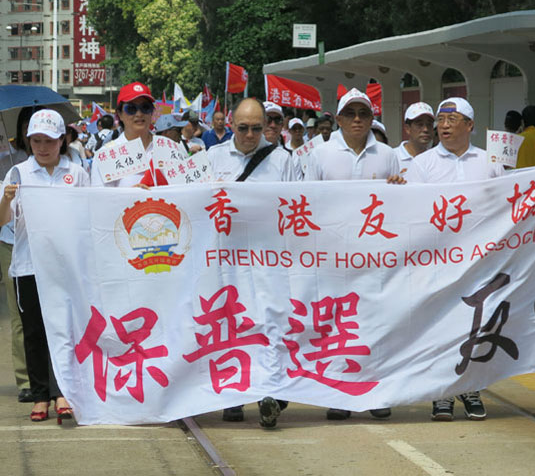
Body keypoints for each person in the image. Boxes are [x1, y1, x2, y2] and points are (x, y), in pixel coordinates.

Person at [305, 88, 399, 420]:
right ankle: (339, 391)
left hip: (374, 257)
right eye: (351, 114)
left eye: (364, 114)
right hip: (333, 256)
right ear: (339, 119)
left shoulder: (387, 155)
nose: (357, 120)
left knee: (375, 321)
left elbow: (400, 204)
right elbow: (308, 203)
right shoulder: (320, 155)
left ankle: (376, 391)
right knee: (337, 323)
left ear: (372, 119)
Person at [0, 109, 90, 424]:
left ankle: (62, 392)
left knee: (64, 330)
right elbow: (1, 222)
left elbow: (89, 215)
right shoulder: (18, 174)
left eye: (49, 140)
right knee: (34, 332)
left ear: (62, 140)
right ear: (28, 140)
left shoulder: (76, 174)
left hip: (64, 267)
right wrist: (6, 200)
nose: (43, 147)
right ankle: (39, 395)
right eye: (36, 140)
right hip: (28, 266)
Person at [407, 98, 500, 421]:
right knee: (439, 326)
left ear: (470, 125)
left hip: (477, 260)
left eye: (452, 119)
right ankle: (441, 395)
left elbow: (503, 204)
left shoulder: (489, 162)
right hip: (437, 260)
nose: (443, 125)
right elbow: (413, 212)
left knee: (474, 325)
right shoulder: (423, 163)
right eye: (441, 120)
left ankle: (470, 389)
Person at [207, 97, 295, 427]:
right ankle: (234, 395)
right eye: (243, 128)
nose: (249, 135)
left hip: (270, 259)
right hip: (225, 259)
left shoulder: (283, 160)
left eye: (257, 128)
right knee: (232, 324)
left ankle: (269, 392)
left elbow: (302, 203)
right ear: (230, 125)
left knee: (272, 321)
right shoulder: (211, 157)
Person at [0, 106, 34, 402]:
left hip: (49, 247)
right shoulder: (8, 163)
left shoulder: (67, 162)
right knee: (20, 317)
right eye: (27, 127)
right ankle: (25, 381)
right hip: (12, 244)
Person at [91, 83, 169, 188]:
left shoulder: (168, 148)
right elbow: (100, 200)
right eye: (131, 108)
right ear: (120, 114)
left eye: (145, 107)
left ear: (152, 112)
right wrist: (129, 197)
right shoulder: (105, 155)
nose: (139, 114)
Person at [396, 102, 435, 173]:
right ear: (407, 129)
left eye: (429, 124)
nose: (425, 129)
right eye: (420, 124)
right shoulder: (393, 157)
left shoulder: (435, 159)